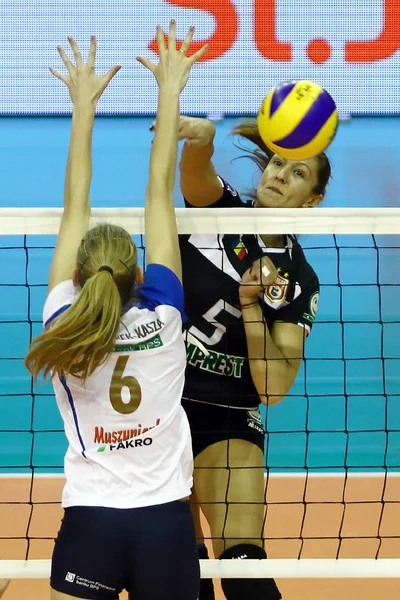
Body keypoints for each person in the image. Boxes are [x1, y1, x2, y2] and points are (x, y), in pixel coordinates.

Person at [25, 24, 207, 600]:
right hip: (166, 526)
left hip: (92, 526)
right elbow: (159, 192)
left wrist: (82, 106)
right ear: (140, 276)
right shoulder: (167, 316)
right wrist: (170, 88)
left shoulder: (63, 323)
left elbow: (74, 200)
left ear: (78, 277)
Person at [176, 116, 331, 600]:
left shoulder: (299, 282)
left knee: (244, 570)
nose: (281, 174)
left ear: (313, 201)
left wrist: (253, 305)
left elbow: (274, 389)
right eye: (279, 163)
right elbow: (194, 174)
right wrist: (200, 143)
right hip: (161, 409)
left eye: (298, 173)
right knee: (178, 571)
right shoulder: (217, 212)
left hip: (229, 415)